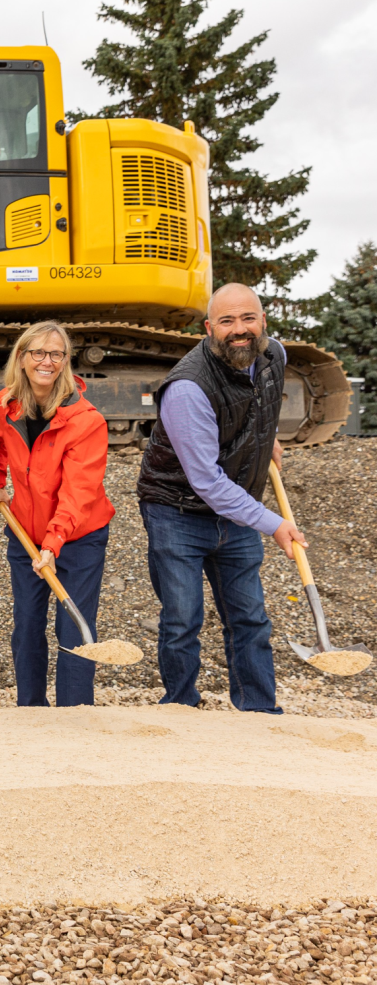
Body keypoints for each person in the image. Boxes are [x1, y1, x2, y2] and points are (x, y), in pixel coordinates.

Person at [137, 282, 304, 714]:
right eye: (227, 321)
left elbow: (258, 403)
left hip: (236, 508)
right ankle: (180, 708)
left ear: (262, 321)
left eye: (248, 318)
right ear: (210, 328)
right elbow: (206, 482)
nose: (239, 329)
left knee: (249, 616)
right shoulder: (188, 388)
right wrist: (273, 523)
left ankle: (259, 712)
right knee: (182, 620)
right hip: (177, 509)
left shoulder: (275, 356)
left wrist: (266, 438)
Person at [0, 322, 116, 707]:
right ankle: (31, 711)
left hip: (79, 538)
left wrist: (54, 543)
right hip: (25, 534)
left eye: (56, 354)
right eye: (37, 352)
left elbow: (78, 494)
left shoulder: (86, 421)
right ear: (21, 358)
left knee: (73, 625)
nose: (47, 361)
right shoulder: (5, 405)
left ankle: (74, 714)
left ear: (66, 362)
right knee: (27, 625)